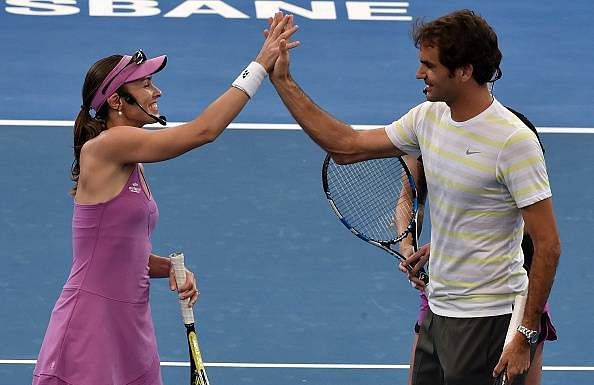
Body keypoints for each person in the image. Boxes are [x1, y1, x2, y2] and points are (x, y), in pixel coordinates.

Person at [268, 9, 561, 385]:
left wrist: (524, 333)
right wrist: (284, 81)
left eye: (429, 65)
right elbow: (345, 147)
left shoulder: (513, 141)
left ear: (465, 71)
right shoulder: (427, 118)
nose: (419, 74)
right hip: (439, 310)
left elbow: (548, 244)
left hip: (487, 317)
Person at [32, 13, 299, 385]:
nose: (157, 92)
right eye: (146, 84)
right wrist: (258, 66)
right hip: (91, 324)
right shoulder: (110, 145)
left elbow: (116, 251)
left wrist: (168, 269)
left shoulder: (131, 160)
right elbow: (203, 131)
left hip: (131, 325)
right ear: (116, 101)